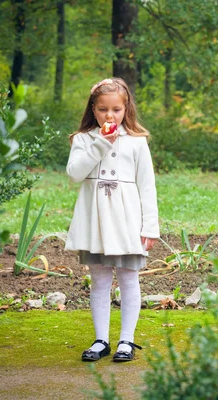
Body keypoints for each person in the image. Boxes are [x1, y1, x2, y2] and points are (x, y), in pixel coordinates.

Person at [65, 78, 159, 362]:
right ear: (93, 109)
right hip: (96, 222)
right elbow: (74, 174)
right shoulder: (83, 139)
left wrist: (150, 225)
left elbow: (147, 185)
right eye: (103, 109)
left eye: (116, 110)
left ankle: (126, 341)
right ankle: (101, 339)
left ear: (125, 108)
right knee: (99, 280)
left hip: (127, 220)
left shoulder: (137, 141)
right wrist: (99, 144)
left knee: (129, 279)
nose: (110, 116)